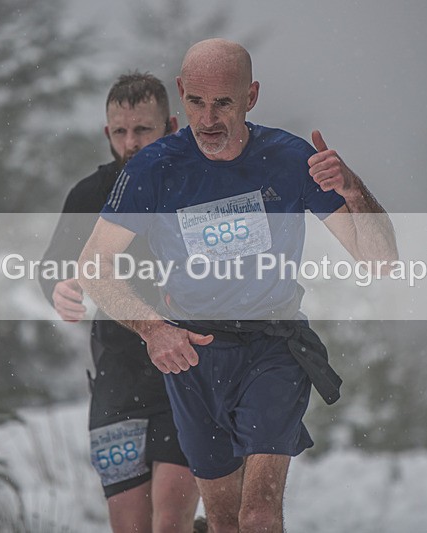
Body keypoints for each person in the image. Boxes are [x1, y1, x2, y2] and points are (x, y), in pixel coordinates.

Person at [78, 40, 398, 533]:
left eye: (223, 103)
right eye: (197, 103)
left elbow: (381, 261)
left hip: (272, 347)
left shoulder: (291, 160)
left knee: (258, 515)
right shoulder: (154, 168)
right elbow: (94, 265)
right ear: (182, 93)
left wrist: (354, 190)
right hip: (193, 354)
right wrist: (153, 329)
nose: (208, 119)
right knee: (225, 520)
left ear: (250, 96)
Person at [38, 72, 200, 533]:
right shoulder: (89, 194)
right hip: (117, 379)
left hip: (186, 371)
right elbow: (52, 264)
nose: (131, 142)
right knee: (131, 526)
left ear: (170, 125)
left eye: (143, 129)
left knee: (170, 517)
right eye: (120, 132)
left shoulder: (198, 185)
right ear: (107, 133)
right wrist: (58, 288)